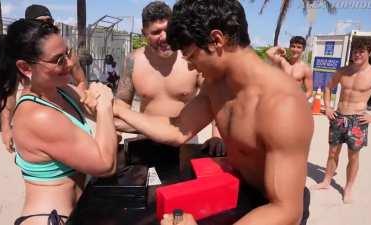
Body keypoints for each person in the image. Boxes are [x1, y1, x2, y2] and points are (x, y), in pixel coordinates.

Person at [111, 1, 313, 224]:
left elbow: (286, 209)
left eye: (191, 57)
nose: (189, 67)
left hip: (274, 210)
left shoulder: (282, 105)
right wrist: (119, 109)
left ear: (217, 40)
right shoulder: (215, 85)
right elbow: (178, 129)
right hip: (240, 191)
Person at [0, 19, 118, 225]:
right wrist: (105, 105)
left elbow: (117, 118)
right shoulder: (37, 115)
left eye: (67, 54)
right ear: (25, 67)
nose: (70, 64)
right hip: (49, 219)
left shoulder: (62, 91)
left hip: (74, 213)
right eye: (58, 60)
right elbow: (105, 164)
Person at [114, 1, 224, 155]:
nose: (164, 37)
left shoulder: (192, 59)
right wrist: (115, 133)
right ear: (144, 33)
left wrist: (217, 136)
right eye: (156, 32)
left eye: (168, 30)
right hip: (145, 141)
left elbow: (213, 96)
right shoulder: (133, 61)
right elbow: (121, 105)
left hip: (185, 142)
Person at [0, 4, 88, 153]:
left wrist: (77, 108)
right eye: (40, 21)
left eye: (49, 20)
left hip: (63, 108)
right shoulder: (22, 57)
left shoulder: (66, 52)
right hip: (35, 116)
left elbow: (81, 81)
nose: (46, 24)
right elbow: (9, 93)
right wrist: (6, 127)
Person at [311, 37, 371, 203]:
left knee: (353, 156)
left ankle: (348, 187)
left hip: (357, 121)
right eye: (355, 51)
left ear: (370, 53)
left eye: (361, 51)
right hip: (338, 117)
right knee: (332, 152)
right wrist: (328, 107)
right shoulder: (342, 71)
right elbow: (328, 87)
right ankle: (326, 181)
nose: (357, 54)